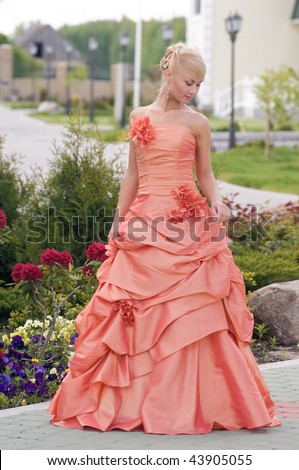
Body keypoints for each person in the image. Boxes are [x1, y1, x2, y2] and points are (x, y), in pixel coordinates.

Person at [48, 42, 280, 434]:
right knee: (133, 308)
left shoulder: (198, 123)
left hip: (186, 219)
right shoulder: (140, 117)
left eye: (199, 84)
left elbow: (205, 173)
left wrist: (217, 201)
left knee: (193, 309)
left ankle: (192, 401)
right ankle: (129, 404)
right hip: (143, 219)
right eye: (189, 81)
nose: (193, 90)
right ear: (168, 74)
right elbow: (132, 175)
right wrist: (118, 220)